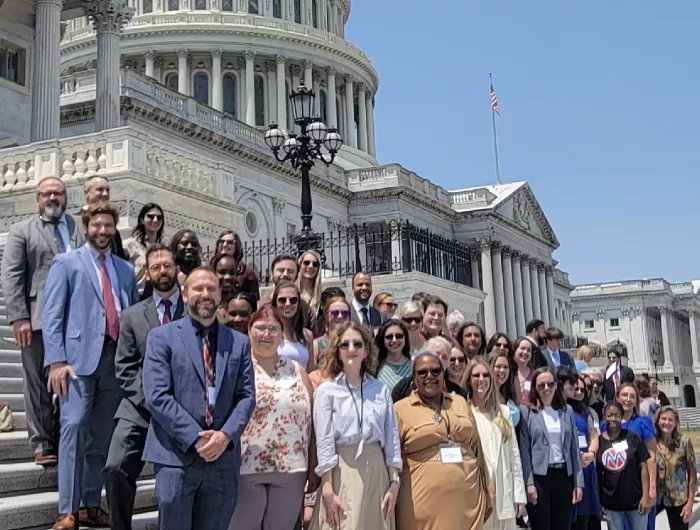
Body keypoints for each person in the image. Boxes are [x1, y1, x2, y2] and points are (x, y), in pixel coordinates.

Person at [42, 202, 139, 529]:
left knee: (102, 436)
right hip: (77, 363)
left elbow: (133, 316)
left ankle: (88, 503)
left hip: (114, 361)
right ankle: (67, 510)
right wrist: (56, 360)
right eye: (96, 226)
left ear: (114, 229)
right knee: (73, 428)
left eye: (108, 226)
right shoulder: (67, 263)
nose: (102, 232)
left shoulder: (124, 270)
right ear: (86, 228)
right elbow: (52, 315)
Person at [142, 267, 256, 530]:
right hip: (176, 458)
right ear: (184, 294)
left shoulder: (238, 343)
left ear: (219, 296)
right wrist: (196, 438)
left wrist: (225, 436)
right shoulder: (161, 338)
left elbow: (246, 396)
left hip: (222, 460)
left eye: (212, 289)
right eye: (198, 288)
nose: (205, 294)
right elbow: (157, 396)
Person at [1, 176, 85, 466]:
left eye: (58, 194)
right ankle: (42, 442)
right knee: (37, 381)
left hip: (74, 319)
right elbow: (12, 275)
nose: (53, 198)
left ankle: (64, 436)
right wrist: (18, 316)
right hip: (36, 319)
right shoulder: (22, 230)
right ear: (37, 199)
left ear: (66, 198)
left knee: (67, 380)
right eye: (46, 194)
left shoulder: (79, 228)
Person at [104, 244, 184, 530]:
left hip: (182, 410)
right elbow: (124, 367)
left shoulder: (193, 311)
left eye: (167, 265)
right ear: (147, 274)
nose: (162, 271)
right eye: (155, 267)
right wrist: (150, 400)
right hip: (139, 407)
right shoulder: (133, 315)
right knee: (115, 467)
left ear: (176, 268)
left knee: (174, 485)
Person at [229, 306, 317, 530]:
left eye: (273, 329)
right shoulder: (236, 369)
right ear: (249, 330)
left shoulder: (297, 371)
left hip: (291, 468)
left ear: (282, 334)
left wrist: (313, 462)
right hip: (244, 468)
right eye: (260, 328)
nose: (266, 335)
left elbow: (313, 420)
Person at [310, 321, 401, 530]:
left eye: (357, 344)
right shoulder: (326, 391)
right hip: (341, 470)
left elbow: (391, 437)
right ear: (337, 351)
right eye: (345, 345)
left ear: (366, 350)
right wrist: (327, 487)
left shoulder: (380, 389)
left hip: (377, 471)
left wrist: (394, 482)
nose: (351, 349)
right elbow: (324, 440)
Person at [394, 351, 492, 530]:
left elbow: (477, 449)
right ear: (414, 378)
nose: (429, 376)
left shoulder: (460, 402)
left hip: (467, 505)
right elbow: (392, 460)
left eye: (435, 371)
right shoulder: (400, 409)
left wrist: (488, 491)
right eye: (422, 373)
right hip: (421, 509)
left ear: (443, 374)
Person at [518, 368, 584, 530]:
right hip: (540, 478)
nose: (546, 388)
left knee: (562, 526)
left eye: (550, 384)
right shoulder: (527, 411)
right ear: (535, 388)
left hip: (563, 476)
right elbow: (524, 450)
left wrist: (578, 482)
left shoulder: (566, 411)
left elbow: (574, 448)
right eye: (541, 385)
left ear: (556, 385)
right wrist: (529, 484)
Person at [465, 358, 525, 530]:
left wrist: (518, 494)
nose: (481, 379)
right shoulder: (463, 411)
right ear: (469, 380)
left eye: (486, 375)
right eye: (476, 375)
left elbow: (514, 455)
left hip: (503, 492)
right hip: (477, 494)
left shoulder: (503, 411)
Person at [602, 383, 658, 530]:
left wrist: (651, 488)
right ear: (617, 398)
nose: (628, 399)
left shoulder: (642, 423)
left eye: (632, 396)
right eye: (624, 395)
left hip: (638, 492)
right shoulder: (605, 425)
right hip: (614, 494)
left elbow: (651, 456)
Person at [560, 370, 602, 530]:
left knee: (585, 520)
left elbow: (593, 435)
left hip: (586, 466)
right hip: (570, 469)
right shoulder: (561, 409)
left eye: (582, 390)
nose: (578, 392)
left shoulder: (586, 411)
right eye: (575, 388)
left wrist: (591, 453)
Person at [655, 406, 697, 530]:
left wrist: (690, 503)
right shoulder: (652, 442)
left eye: (670, 420)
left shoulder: (684, 442)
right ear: (657, 421)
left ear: (676, 422)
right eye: (663, 419)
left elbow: (692, 474)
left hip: (678, 498)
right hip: (656, 498)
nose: (666, 423)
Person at [392, 337, 468, 402]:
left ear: (448, 363)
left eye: (444, 357)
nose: (440, 359)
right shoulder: (403, 388)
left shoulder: (459, 393)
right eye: (435, 354)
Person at [122, 202, 165, 296]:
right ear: (142, 219)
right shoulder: (130, 245)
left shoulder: (164, 248)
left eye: (159, 217)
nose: (155, 220)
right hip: (134, 295)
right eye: (151, 216)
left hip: (156, 297)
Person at [81, 176, 128, 260]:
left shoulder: (113, 230)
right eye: (100, 189)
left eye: (107, 190)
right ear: (86, 193)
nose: (105, 194)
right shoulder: (75, 222)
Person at [273, 281, 314, 371]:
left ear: (298, 304)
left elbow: (311, 371)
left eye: (293, 300)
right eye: (282, 300)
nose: (288, 304)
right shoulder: (269, 334)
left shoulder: (307, 335)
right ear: (275, 303)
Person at [213, 231, 259, 300]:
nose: (225, 245)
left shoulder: (247, 272)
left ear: (237, 246)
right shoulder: (209, 269)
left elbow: (254, 300)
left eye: (230, 242)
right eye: (222, 241)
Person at [312, 296, 351, 368]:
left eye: (345, 313)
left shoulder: (355, 343)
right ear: (327, 316)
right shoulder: (316, 344)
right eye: (335, 313)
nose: (340, 316)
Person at [375, 319, 412, 391]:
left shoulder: (414, 366)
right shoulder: (375, 367)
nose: (394, 340)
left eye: (399, 336)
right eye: (389, 337)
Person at [487, 350, 520, 428]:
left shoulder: (508, 395)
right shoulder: (483, 397)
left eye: (505, 367)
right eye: (498, 366)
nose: (502, 370)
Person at [297, 250, 323, 317]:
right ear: (300, 265)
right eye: (306, 263)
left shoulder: (321, 297)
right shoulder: (291, 290)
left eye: (315, 264)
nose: (311, 266)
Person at [511, 337, 535, 405]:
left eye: (528, 350)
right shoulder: (508, 373)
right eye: (522, 348)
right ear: (514, 350)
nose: (525, 352)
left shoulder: (535, 375)